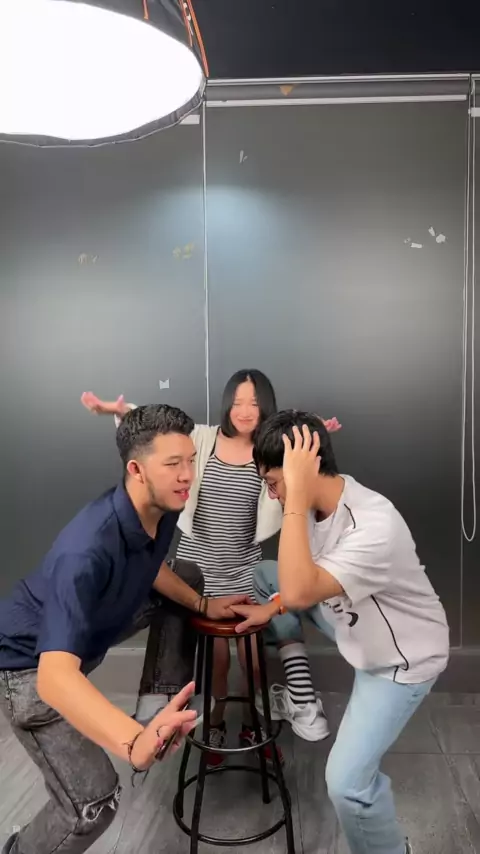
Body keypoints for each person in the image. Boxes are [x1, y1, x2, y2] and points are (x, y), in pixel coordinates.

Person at [0, 405, 247, 854]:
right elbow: (54, 678)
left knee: (186, 574)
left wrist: (203, 604)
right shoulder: (85, 551)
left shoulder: (162, 505)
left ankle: (157, 705)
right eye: (173, 464)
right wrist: (133, 742)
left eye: (191, 460)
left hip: (90, 629)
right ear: (136, 470)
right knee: (93, 804)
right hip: (29, 669)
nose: (187, 475)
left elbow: (151, 565)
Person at [81, 374, 341, 762]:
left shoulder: (269, 451)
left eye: (254, 403)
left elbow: (299, 456)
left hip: (245, 566)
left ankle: (255, 723)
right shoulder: (201, 439)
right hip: (200, 568)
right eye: (238, 402)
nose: (245, 411)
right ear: (226, 404)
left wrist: (311, 434)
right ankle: (215, 723)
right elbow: (161, 435)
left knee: (253, 659)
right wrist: (122, 412)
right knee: (218, 658)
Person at [230, 410, 449, 854]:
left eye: (274, 483)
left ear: (305, 471)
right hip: (352, 621)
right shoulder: (316, 504)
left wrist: (295, 495)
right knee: (266, 574)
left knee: (347, 784)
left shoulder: (373, 523)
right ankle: (302, 698)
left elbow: (300, 589)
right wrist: (271, 608)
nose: (273, 495)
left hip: (399, 659)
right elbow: (293, 585)